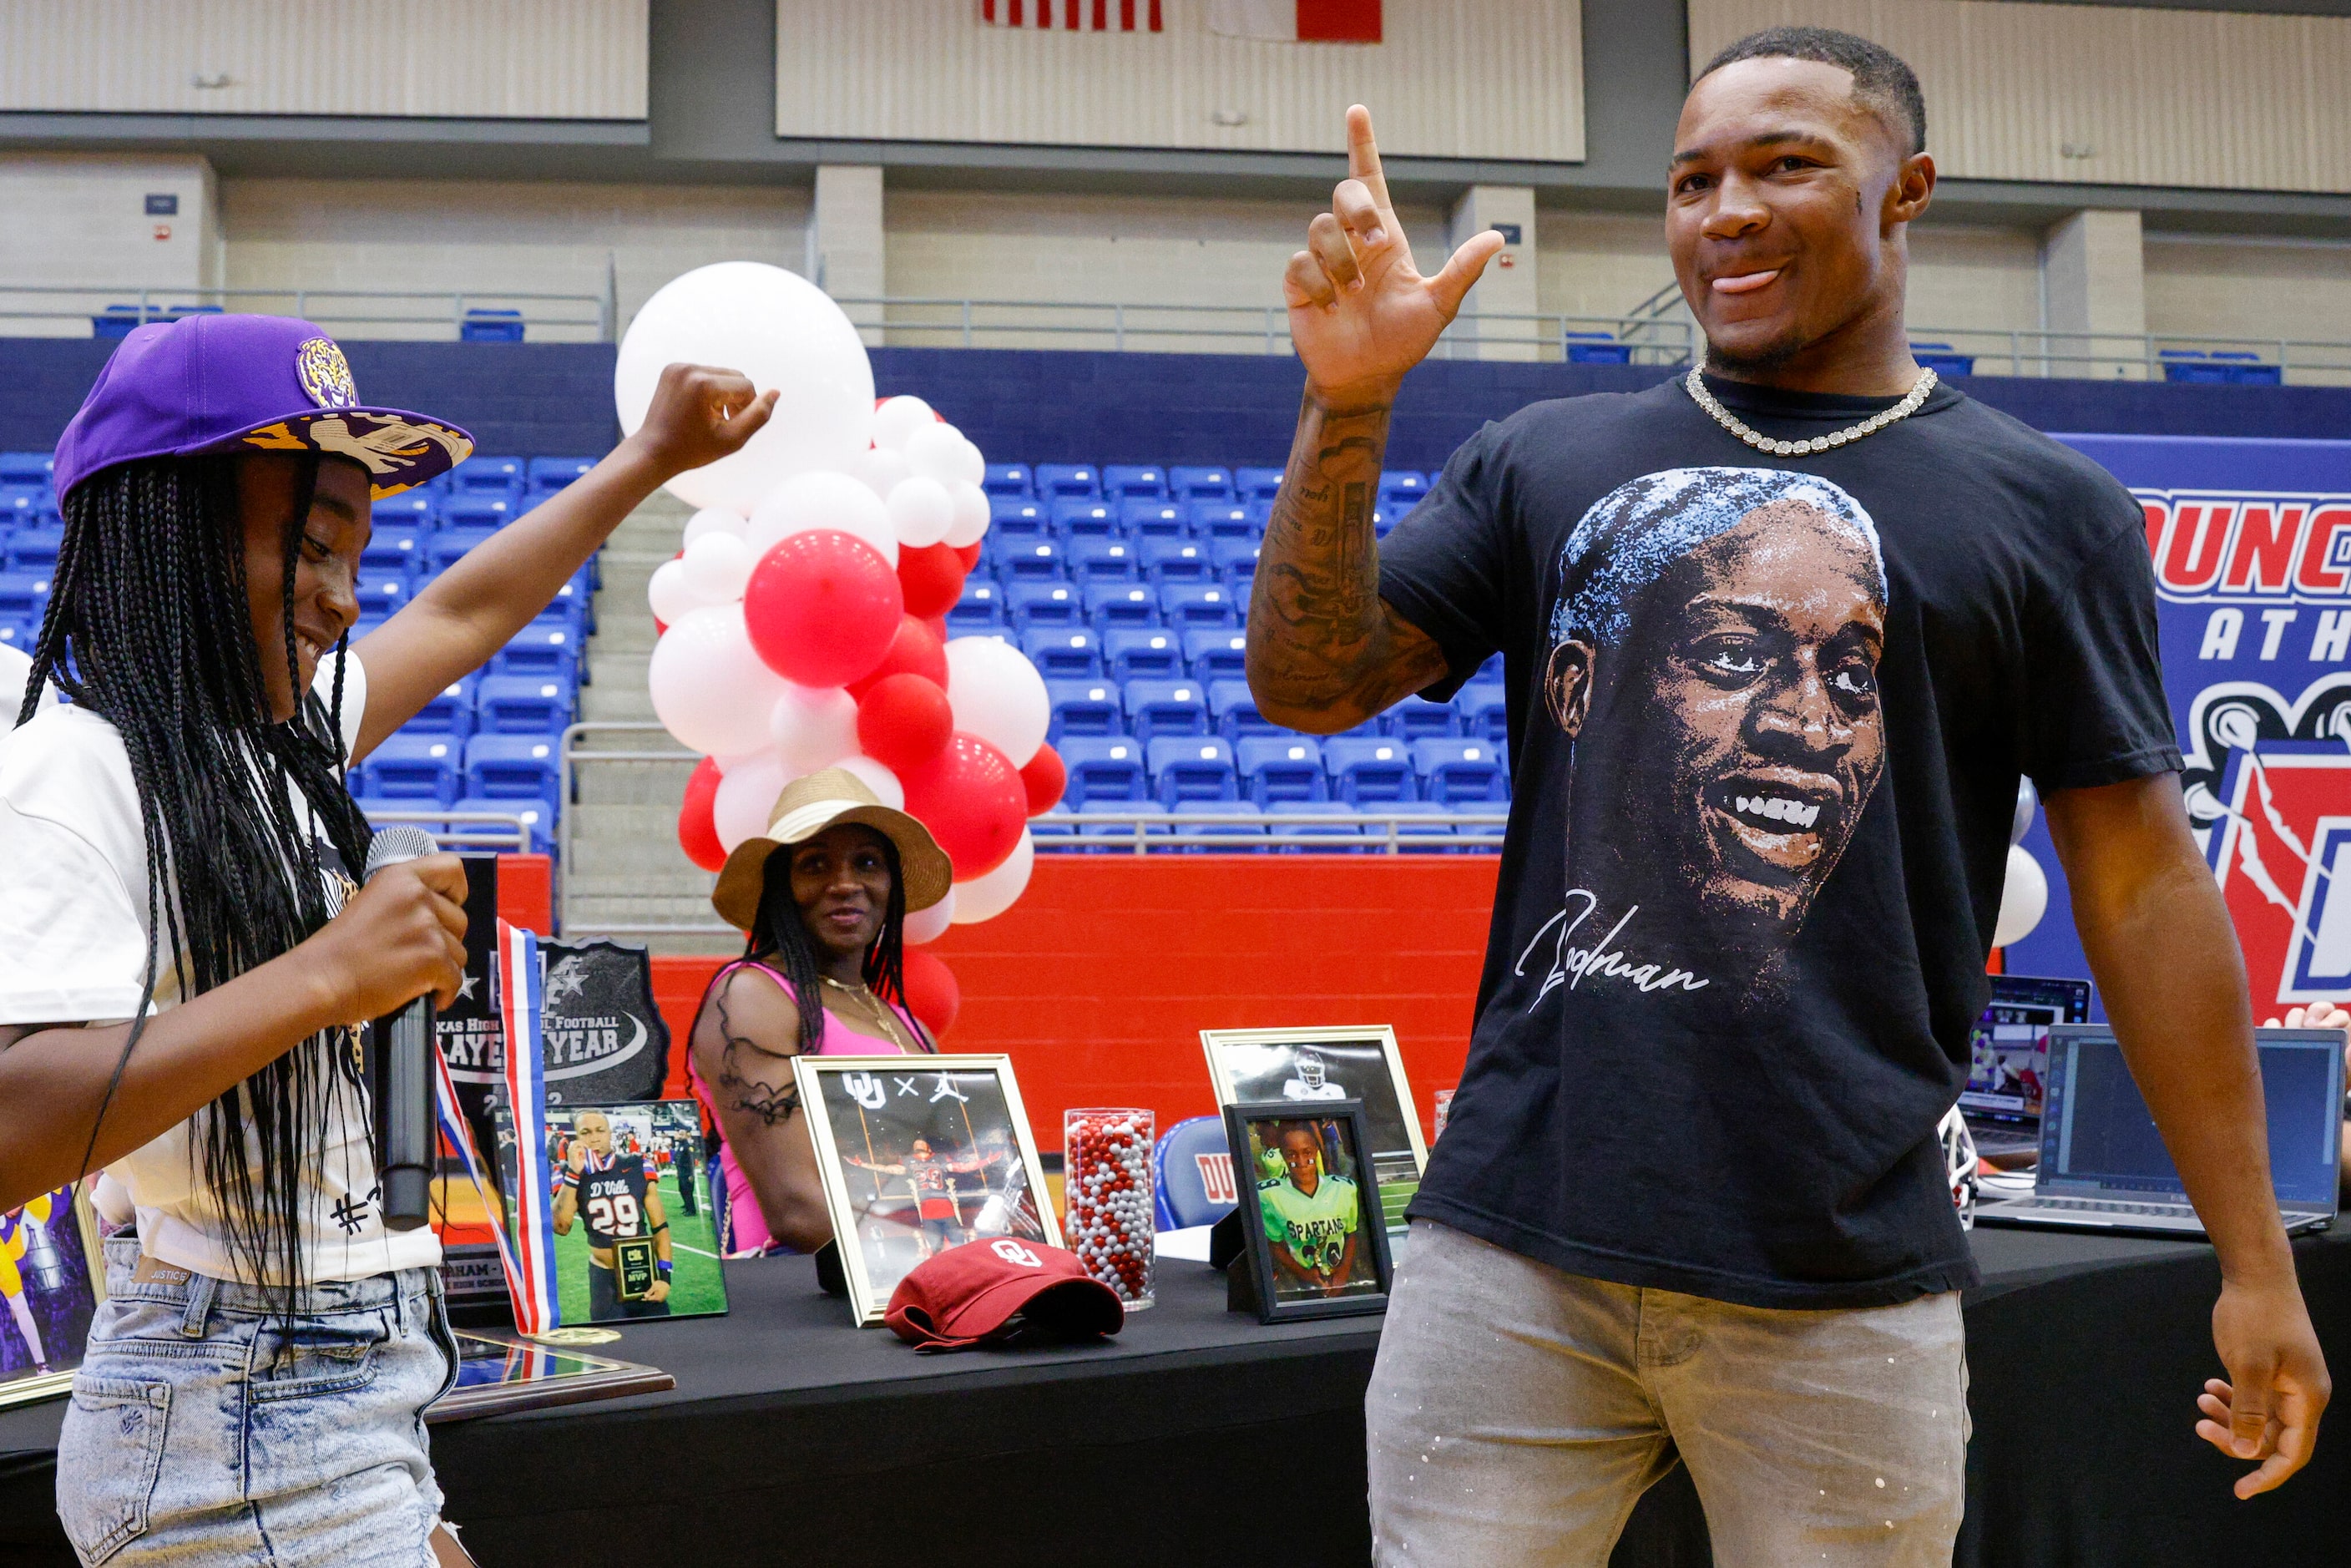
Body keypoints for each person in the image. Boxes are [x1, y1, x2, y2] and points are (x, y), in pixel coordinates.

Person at [1247, 30, 2328, 1562]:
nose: (1726, 210)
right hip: (1511, 1251)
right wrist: (1345, 403)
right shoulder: (1543, 462)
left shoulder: (2043, 510)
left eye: (1785, 164)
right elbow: (1310, 679)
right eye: (1692, 179)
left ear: (1909, 192)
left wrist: (2255, 1261)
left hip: (1845, 1273)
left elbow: (2144, 885)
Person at [0, 311, 773, 1567]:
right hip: (236, 1402)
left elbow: (467, 610)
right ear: (174, 531)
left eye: (356, 556)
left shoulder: (274, 745)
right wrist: (326, 976)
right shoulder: (80, 769)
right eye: (311, 546)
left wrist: (649, 457)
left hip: (346, 1381)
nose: (344, 599)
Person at [687, 766, 956, 1255]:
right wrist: (952, 1251)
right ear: (779, 890)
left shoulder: (908, 1026)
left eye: (868, 864)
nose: (845, 884)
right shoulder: (751, 995)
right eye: (814, 865)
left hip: (913, 1283)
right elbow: (800, 1212)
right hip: (800, 1300)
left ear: (892, 887)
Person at [551, 1110, 672, 1319]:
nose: (594, 1137)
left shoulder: (637, 1163)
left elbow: (660, 1226)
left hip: (642, 1269)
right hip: (603, 1275)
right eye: (586, 1132)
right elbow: (561, 1227)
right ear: (577, 1137)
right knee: (607, 1343)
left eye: (600, 1130)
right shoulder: (565, 1170)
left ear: (609, 1133)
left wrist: (665, 1278)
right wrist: (573, 1173)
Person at [1256, 1121, 1369, 1297]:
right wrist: (1306, 1274)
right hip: (1303, 1279)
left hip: (1339, 1272)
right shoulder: (1269, 1195)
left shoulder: (1345, 1189)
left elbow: (1350, 1233)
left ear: (1316, 1150)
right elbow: (1275, 1245)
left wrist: (1343, 1273)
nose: (1301, 1161)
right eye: (1291, 1155)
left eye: (1306, 1153)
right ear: (1283, 1156)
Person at [845, 1137, 977, 1258]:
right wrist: (863, 1165)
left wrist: (987, 1161)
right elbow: (887, 1169)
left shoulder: (940, 1159)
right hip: (927, 1210)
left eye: (921, 1144)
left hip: (945, 1207)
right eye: (916, 1145)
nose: (918, 1146)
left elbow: (963, 1167)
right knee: (936, 1246)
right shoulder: (909, 1163)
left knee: (958, 1244)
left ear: (928, 1147)